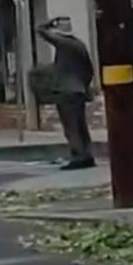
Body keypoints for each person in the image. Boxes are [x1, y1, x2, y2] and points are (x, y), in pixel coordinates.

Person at [37, 17, 96, 171]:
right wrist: (83, 85)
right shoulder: (80, 45)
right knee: (81, 124)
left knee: (71, 126)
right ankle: (87, 154)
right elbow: (89, 70)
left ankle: (78, 156)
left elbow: (41, 31)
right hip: (78, 90)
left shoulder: (64, 44)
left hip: (65, 91)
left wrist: (49, 23)